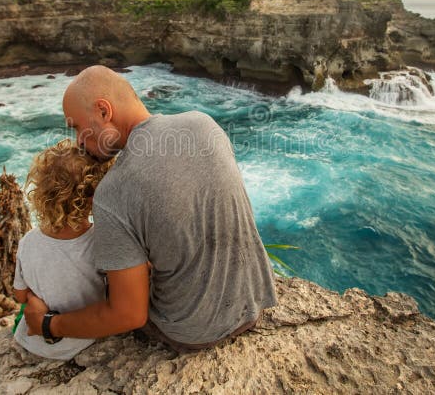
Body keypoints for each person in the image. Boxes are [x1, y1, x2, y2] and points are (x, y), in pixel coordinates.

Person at [24, 65, 277, 352]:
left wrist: (48, 324)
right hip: (252, 308)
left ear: (104, 111)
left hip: (194, 332)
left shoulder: (114, 191)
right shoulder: (204, 123)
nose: (79, 141)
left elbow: (128, 315)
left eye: (77, 127)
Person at [12, 138, 113, 359]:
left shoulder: (28, 241)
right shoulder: (101, 240)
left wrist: (36, 299)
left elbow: (19, 295)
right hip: (82, 339)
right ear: (93, 196)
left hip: (33, 341)